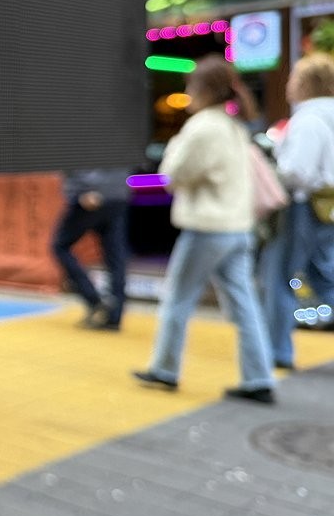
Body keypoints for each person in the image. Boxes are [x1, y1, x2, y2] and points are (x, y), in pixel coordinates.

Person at [134, 54, 276, 403]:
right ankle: (259, 377)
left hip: (207, 228)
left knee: (178, 298)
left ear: (202, 88)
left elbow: (173, 175)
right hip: (238, 227)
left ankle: (165, 368)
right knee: (244, 304)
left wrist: (174, 147)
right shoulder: (234, 126)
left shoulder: (202, 127)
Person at [258, 52, 334, 371]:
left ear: (305, 83)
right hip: (326, 206)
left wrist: (272, 169)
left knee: (278, 277)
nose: (288, 84)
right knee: (325, 275)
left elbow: (297, 172)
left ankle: (277, 350)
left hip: (302, 205)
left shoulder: (307, 120)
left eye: (293, 78)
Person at [51, 168, 130, 329]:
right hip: (118, 194)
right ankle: (114, 315)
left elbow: (74, 157)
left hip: (92, 194)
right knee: (115, 257)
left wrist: (83, 190)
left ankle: (94, 299)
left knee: (60, 246)